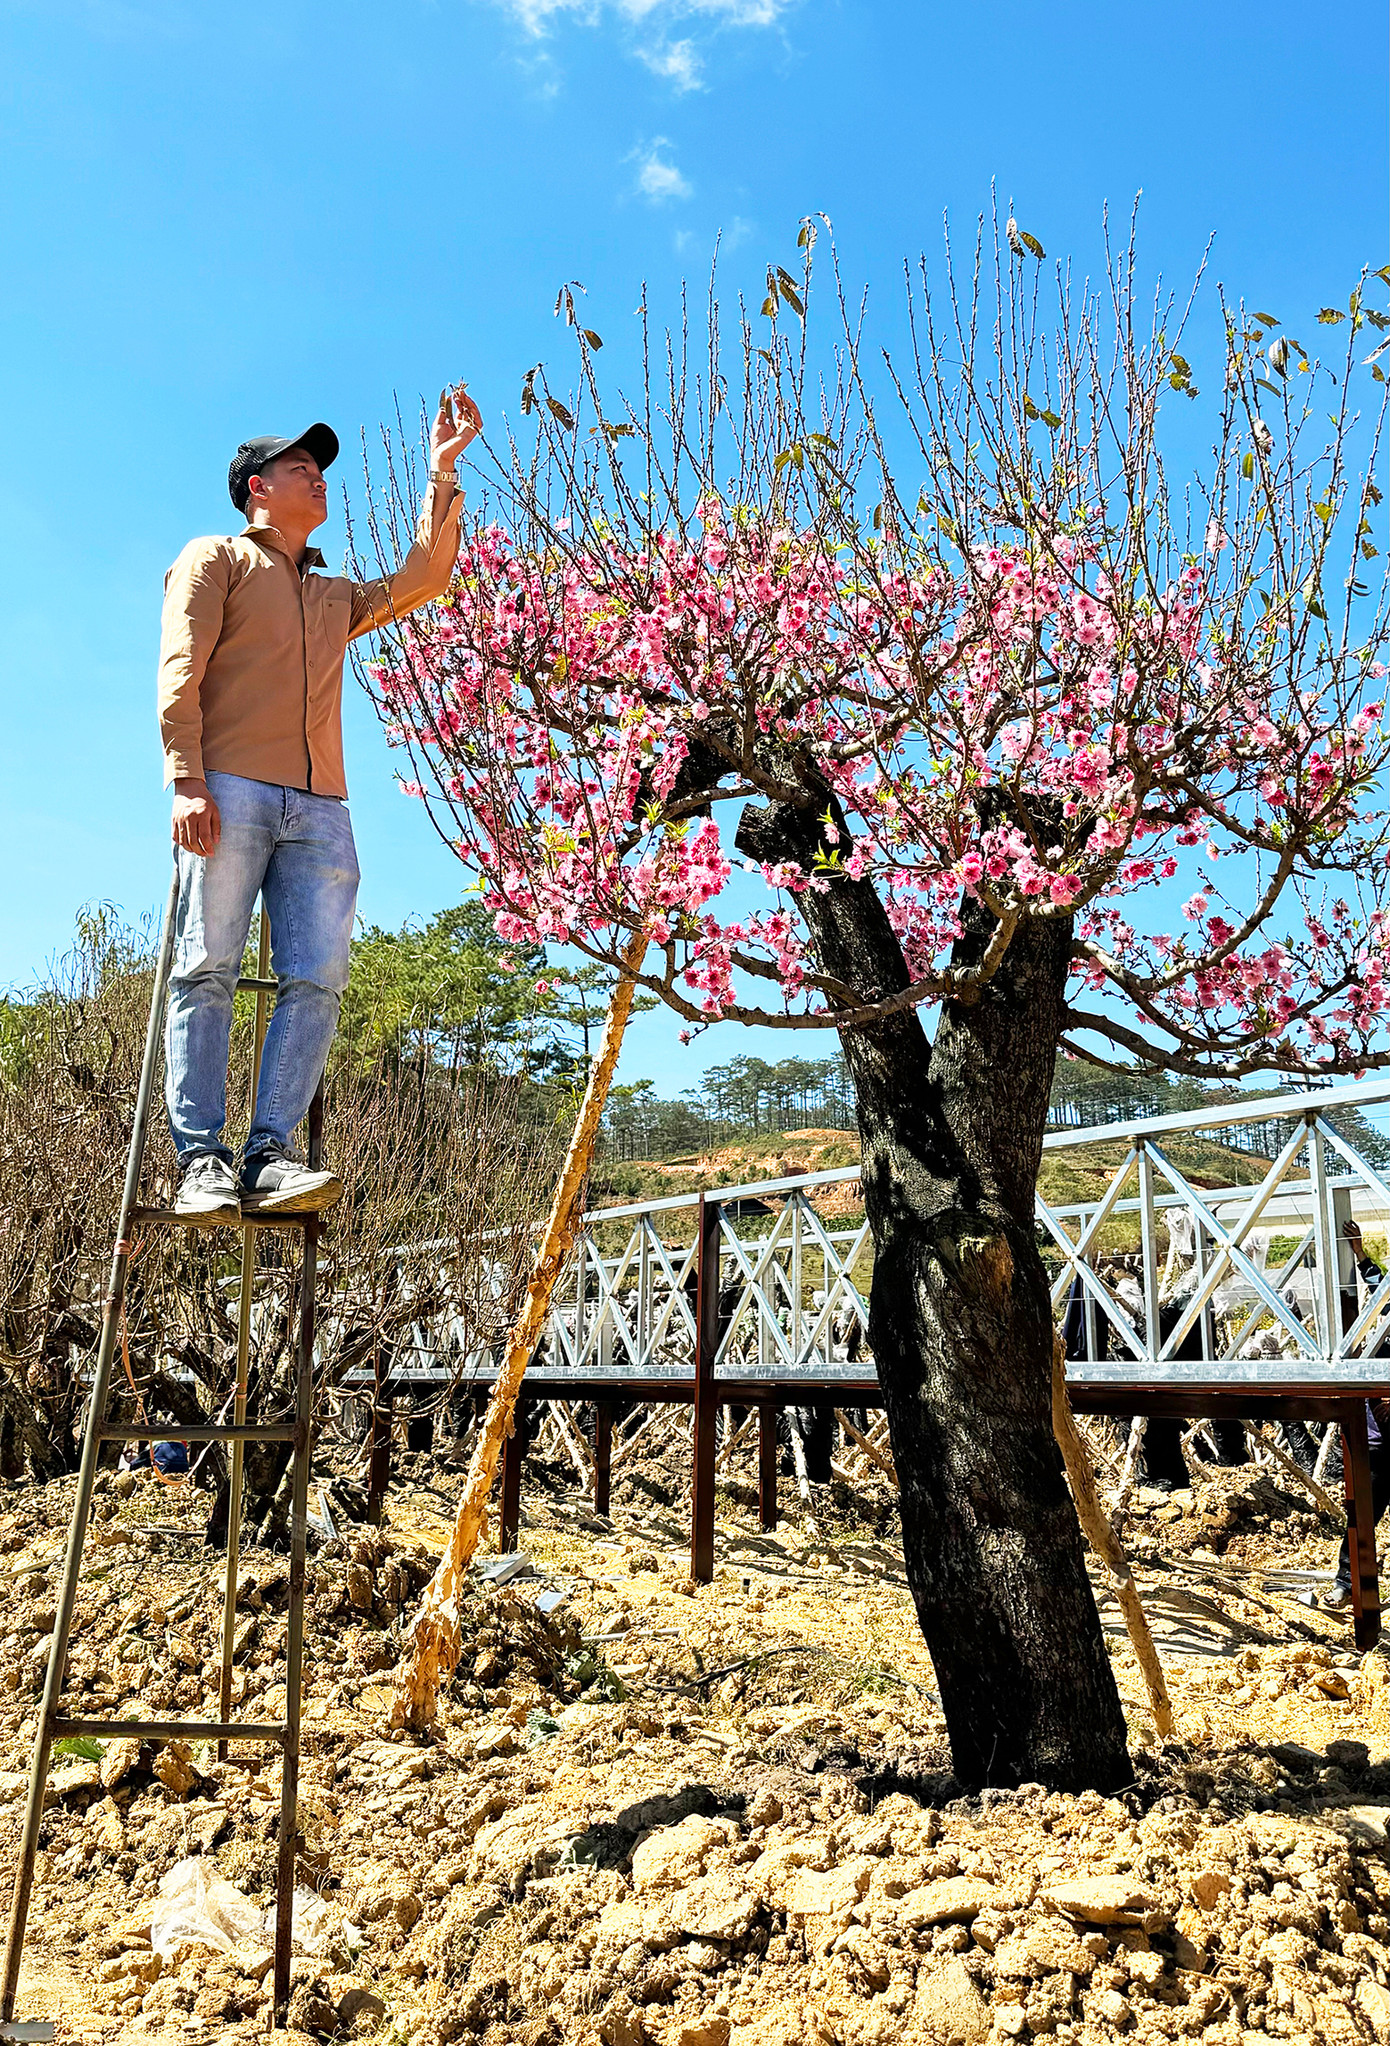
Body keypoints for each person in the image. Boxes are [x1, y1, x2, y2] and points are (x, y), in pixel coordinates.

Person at [157, 386, 481, 1220]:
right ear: (257, 486)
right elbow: (180, 669)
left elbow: (427, 577)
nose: (319, 478)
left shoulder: (333, 596)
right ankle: (200, 1160)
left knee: (319, 978)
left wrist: (441, 472)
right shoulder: (216, 559)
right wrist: (186, 779)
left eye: (319, 469)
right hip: (227, 786)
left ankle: (268, 1154)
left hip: (322, 808)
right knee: (207, 967)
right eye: (301, 467)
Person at [1321, 1219, 1390, 1608]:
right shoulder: (1380, 1339)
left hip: (1381, 1441)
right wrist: (1360, 1253)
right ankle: (1347, 1585)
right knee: (1361, 1517)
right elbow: (1378, 1285)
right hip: (1376, 1446)